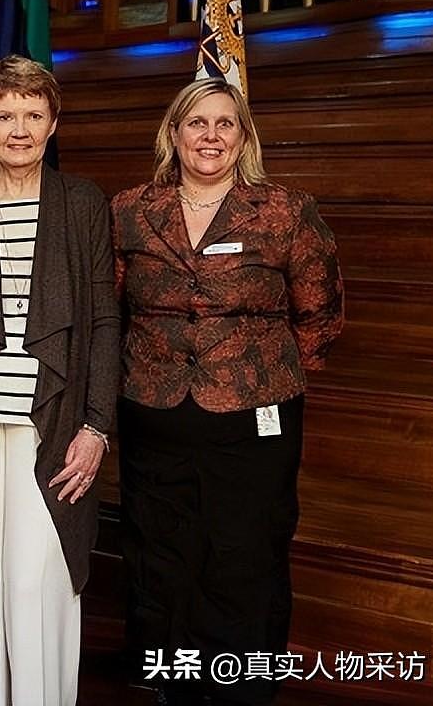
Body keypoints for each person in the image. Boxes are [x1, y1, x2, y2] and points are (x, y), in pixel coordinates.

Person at [111, 78, 344, 706]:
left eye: (225, 124)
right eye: (197, 123)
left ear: (244, 138)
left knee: (244, 551)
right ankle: (172, 679)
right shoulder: (131, 208)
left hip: (253, 417)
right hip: (153, 411)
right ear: (174, 132)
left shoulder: (285, 210)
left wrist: (268, 373)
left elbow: (320, 312)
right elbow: (111, 305)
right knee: (160, 548)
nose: (210, 136)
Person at [0, 55, 120, 706]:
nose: (19, 129)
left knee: (40, 585)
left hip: (58, 424)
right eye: (5, 115)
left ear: (53, 121)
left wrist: (97, 426)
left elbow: (103, 322)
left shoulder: (83, 202)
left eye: (33, 115)